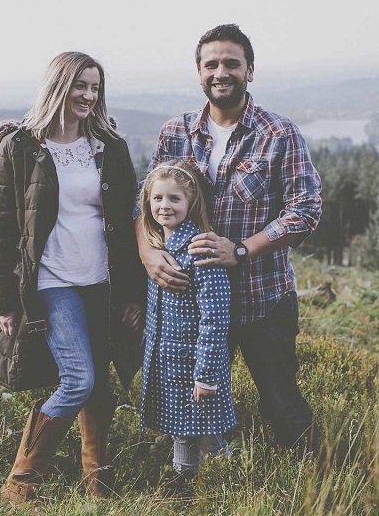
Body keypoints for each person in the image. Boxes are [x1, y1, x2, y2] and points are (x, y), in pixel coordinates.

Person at [136, 24, 323, 452]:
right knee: (186, 403)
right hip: (190, 307)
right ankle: (199, 481)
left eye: (231, 63)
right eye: (211, 64)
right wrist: (148, 254)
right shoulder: (175, 133)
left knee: (281, 402)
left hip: (261, 298)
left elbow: (305, 210)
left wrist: (240, 249)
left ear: (250, 71)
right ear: (199, 73)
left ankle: (314, 482)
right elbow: (142, 204)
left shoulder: (280, 133)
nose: (221, 72)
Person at [0, 51, 145, 504]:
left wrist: (134, 294)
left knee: (100, 385)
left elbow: (130, 224)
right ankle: (19, 485)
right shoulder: (20, 148)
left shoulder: (109, 147)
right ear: (58, 86)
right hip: (53, 283)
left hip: (103, 283)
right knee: (78, 379)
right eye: (80, 86)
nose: (89, 96)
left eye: (95, 88)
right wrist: (4, 303)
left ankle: (98, 486)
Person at [138, 160, 236, 493]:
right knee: (180, 425)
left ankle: (225, 480)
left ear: (190, 203)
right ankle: (183, 479)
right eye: (158, 199)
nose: (165, 206)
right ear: (148, 203)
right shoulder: (158, 248)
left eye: (174, 199)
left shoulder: (199, 249)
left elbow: (216, 316)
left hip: (195, 363)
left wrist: (206, 375)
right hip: (169, 362)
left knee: (206, 427)